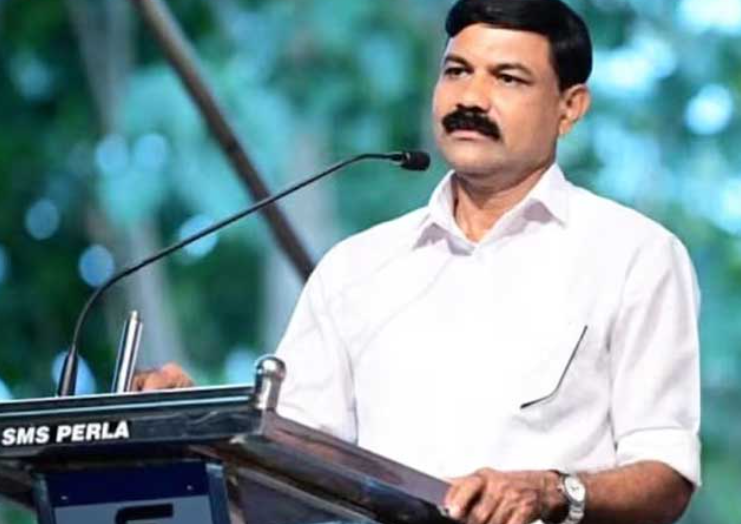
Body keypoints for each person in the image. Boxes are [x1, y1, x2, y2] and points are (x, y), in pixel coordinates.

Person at [137, 1, 701, 523]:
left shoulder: (634, 255)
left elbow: (666, 475)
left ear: (569, 107)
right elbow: (288, 461)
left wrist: (553, 491)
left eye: (507, 78)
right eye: (457, 71)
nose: (471, 98)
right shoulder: (358, 267)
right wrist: (196, 425)